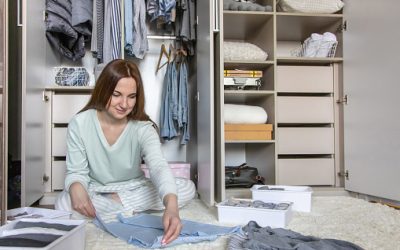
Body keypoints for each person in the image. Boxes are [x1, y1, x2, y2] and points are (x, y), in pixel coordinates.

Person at [55, 59, 196, 245]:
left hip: (134, 187)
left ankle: (116, 204)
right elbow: (76, 172)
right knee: (64, 203)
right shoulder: (79, 123)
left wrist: (171, 207)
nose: (124, 104)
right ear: (104, 90)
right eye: (116, 94)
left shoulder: (144, 128)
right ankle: (122, 207)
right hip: (96, 189)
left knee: (187, 188)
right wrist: (76, 187)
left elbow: (158, 167)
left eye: (131, 96)